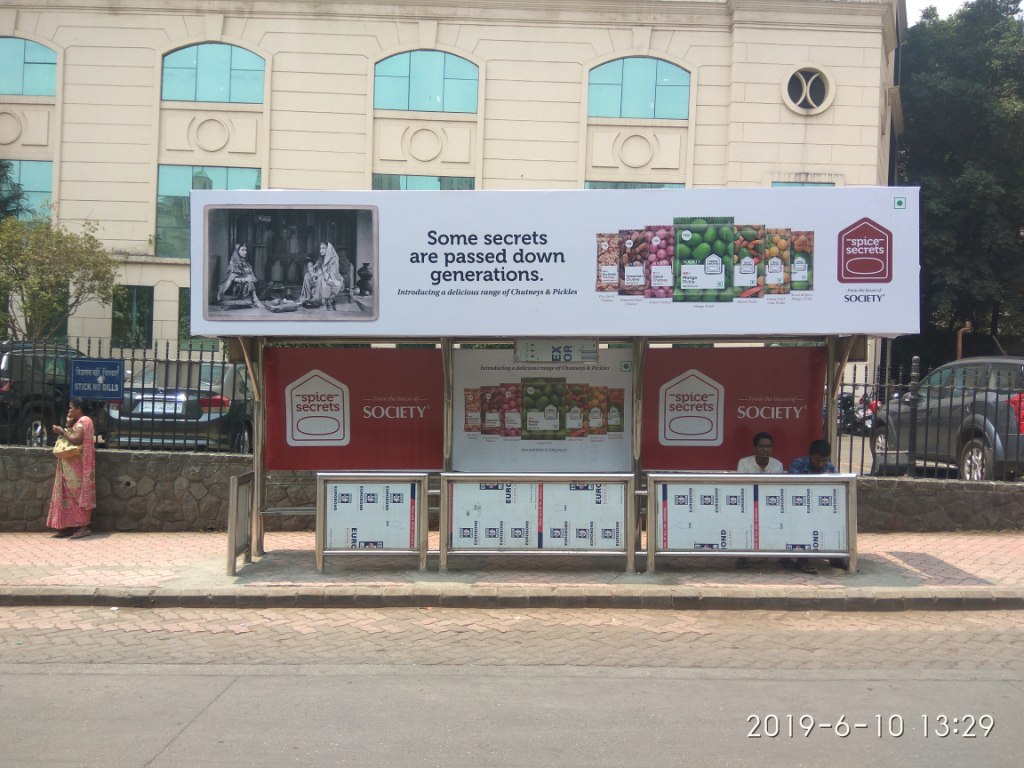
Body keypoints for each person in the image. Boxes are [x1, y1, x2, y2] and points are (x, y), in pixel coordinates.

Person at [784, 439, 839, 573]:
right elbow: (793, 488)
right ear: (810, 456)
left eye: (824, 460)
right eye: (817, 460)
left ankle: (836, 557)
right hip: (798, 507)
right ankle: (802, 559)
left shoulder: (830, 468)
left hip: (821, 508)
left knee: (836, 522)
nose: (821, 464)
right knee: (804, 523)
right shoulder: (798, 464)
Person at [46, 397, 96, 539]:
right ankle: (70, 525)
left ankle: (83, 526)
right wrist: (68, 424)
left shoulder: (84, 421)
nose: (69, 410)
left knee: (78, 494)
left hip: (79, 467)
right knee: (69, 495)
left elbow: (76, 439)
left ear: (78, 409)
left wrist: (62, 430)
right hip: (72, 466)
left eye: (71, 407)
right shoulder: (80, 422)